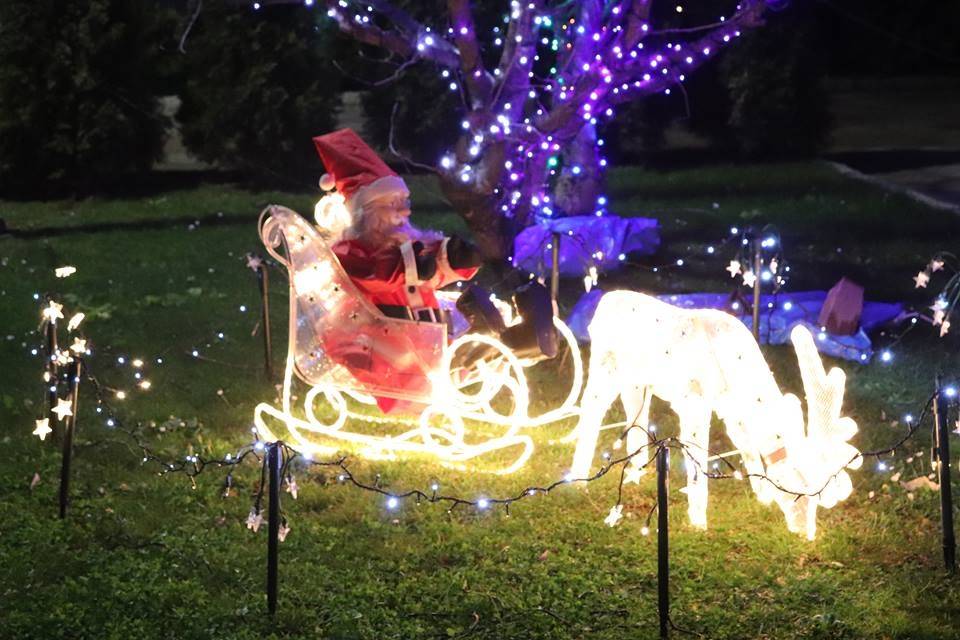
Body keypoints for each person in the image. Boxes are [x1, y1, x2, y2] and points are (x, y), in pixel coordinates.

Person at [312, 129, 558, 412]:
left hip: (423, 330)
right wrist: (421, 264)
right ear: (363, 212)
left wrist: (457, 258)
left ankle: (517, 339)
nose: (403, 212)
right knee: (454, 351)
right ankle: (499, 344)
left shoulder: (407, 243)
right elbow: (379, 275)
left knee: (482, 312)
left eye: (404, 203)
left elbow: (432, 265)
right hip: (380, 338)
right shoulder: (349, 251)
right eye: (391, 205)